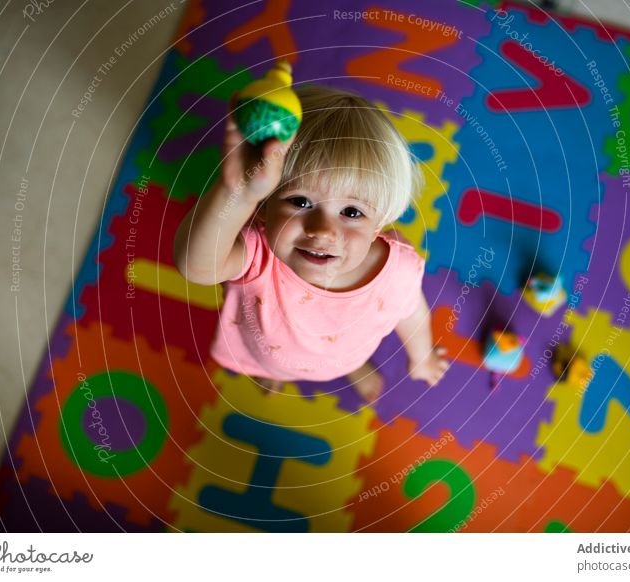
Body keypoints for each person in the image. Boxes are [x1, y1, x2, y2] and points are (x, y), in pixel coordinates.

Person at [174, 85, 449, 402]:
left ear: (379, 224)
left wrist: (422, 356)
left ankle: (352, 368)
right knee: (270, 365)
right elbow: (196, 268)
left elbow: (412, 314)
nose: (322, 231)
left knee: (346, 357)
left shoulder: (398, 270)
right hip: (265, 352)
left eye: (351, 212)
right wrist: (238, 192)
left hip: (345, 353)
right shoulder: (257, 252)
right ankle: (270, 373)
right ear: (264, 207)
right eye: (300, 201)